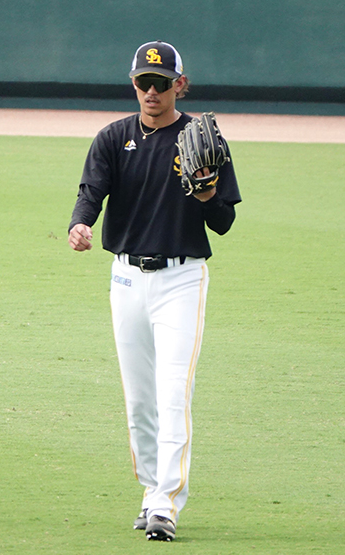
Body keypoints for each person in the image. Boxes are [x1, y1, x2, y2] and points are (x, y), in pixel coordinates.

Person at [68, 40, 241, 541]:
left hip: (181, 279)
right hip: (125, 277)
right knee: (139, 399)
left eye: (161, 83)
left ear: (179, 85)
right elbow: (91, 192)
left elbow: (224, 221)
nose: (151, 91)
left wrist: (207, 192)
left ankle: (167, 500)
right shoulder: (113, 137)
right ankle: (150, 490)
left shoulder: (203, 138)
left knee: (172, 392)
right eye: (143, 81)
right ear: (133, 83)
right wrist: (81, 224)